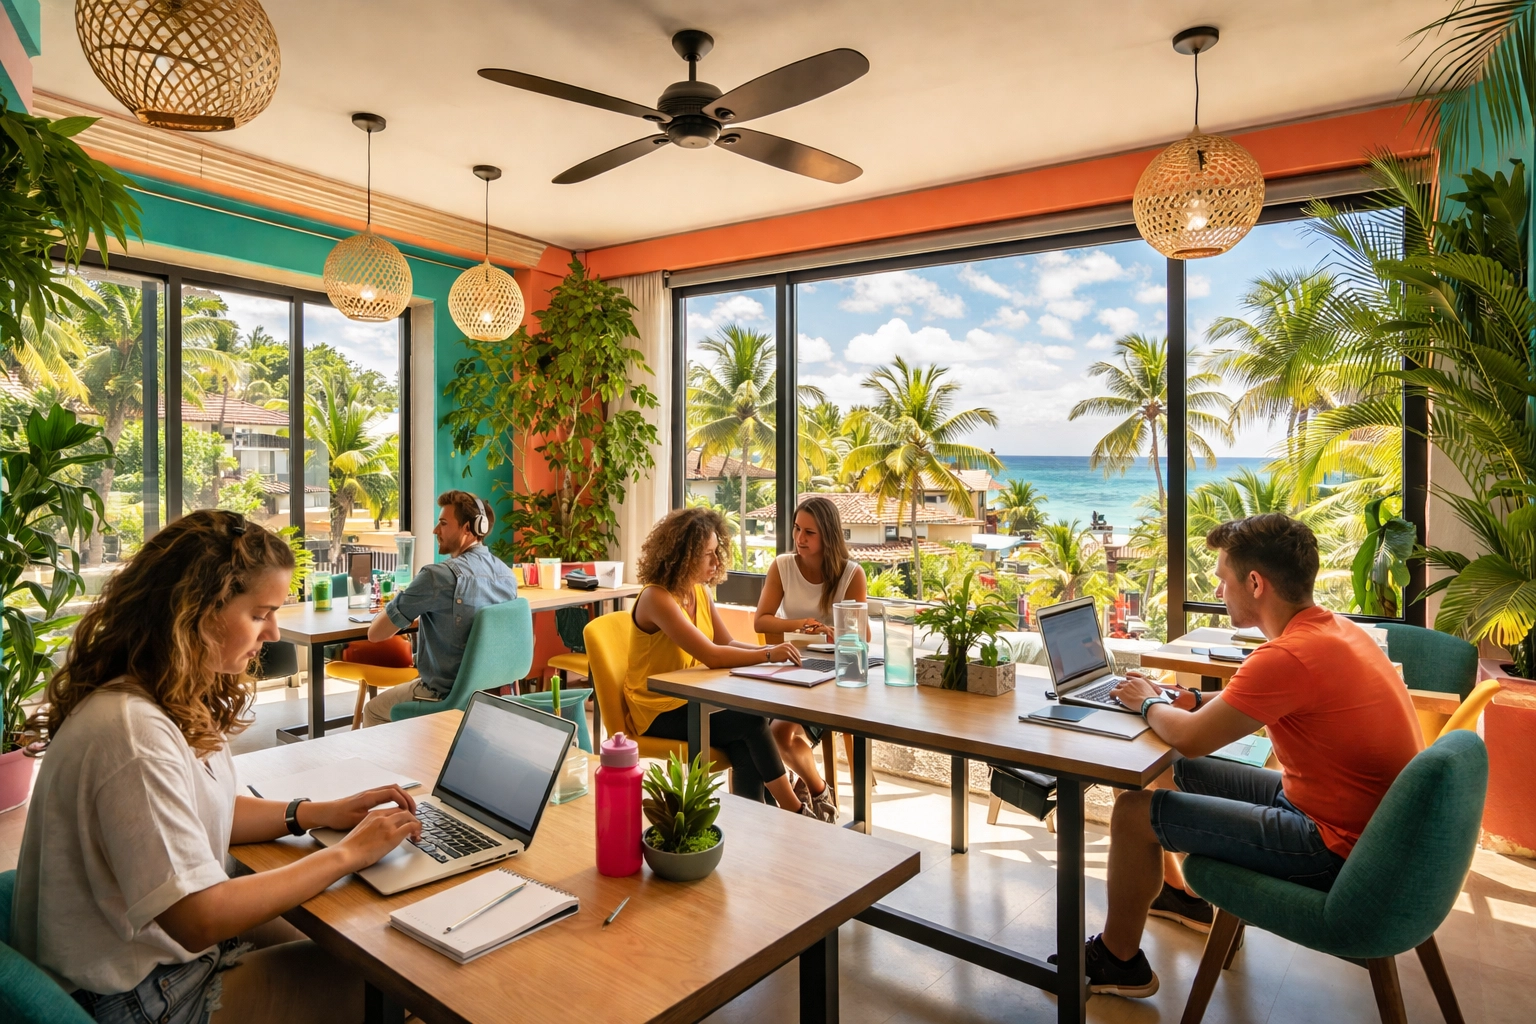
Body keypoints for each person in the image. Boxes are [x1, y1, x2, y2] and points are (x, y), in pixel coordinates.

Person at [12, 510, 423, 1024]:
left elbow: (206, 809)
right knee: (392, 978)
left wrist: (318, 813)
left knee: (353, 928)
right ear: (195, 611)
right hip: (134, 997)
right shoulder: (132, 733)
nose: (273, 631)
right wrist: (348, 856)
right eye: (260, 613)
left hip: (139, 964)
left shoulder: (159, 694)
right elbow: (198, 917)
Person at [1058, 513, 1420, 998]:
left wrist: (1146, 701)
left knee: (1131, 812)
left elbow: (1189, 739)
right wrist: (1184, 698)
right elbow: (1244, 705)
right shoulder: (1333, 631)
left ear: (1255, 582)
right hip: (1359, 826)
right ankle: (1179, 896)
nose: (1217, 586)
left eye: (1223, 577)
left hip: (1332, 847)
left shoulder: (1286, 656)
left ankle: (1119, 960)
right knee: (1166, 769)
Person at [624, 506, 831, 819]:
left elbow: (728, 643)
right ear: (683, 555)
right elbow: (711, 655)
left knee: (744, 740)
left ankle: (755, 822)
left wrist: (777, 662)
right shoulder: (656, 598)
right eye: (708, 554)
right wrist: (768, 654)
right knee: (749, 723)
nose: (717, 561)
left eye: (716, 552)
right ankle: (797, 813)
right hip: (656, 708)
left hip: (691, 700)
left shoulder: (699, 592)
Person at [361, 490, 518, 727]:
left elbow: (376, 634)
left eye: (443, 523)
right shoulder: (507, 576)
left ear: (468, 528)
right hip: (490, 693)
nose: (435, 530)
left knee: (373, 710)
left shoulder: (437, 576)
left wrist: (404, 598)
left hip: (445, 695)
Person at [753, 495, 868, 820]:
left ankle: (810, 793)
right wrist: (802, 625)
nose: (799, 539)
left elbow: (863, 638)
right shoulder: (783, 566)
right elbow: (762, 620)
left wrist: (837, 630)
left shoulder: (850, 574)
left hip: (833, 679)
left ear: (828, 535)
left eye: (809, 532)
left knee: (774, 735)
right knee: (769, 734)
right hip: (792, 670)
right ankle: (818, 791)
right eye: (796, 529)